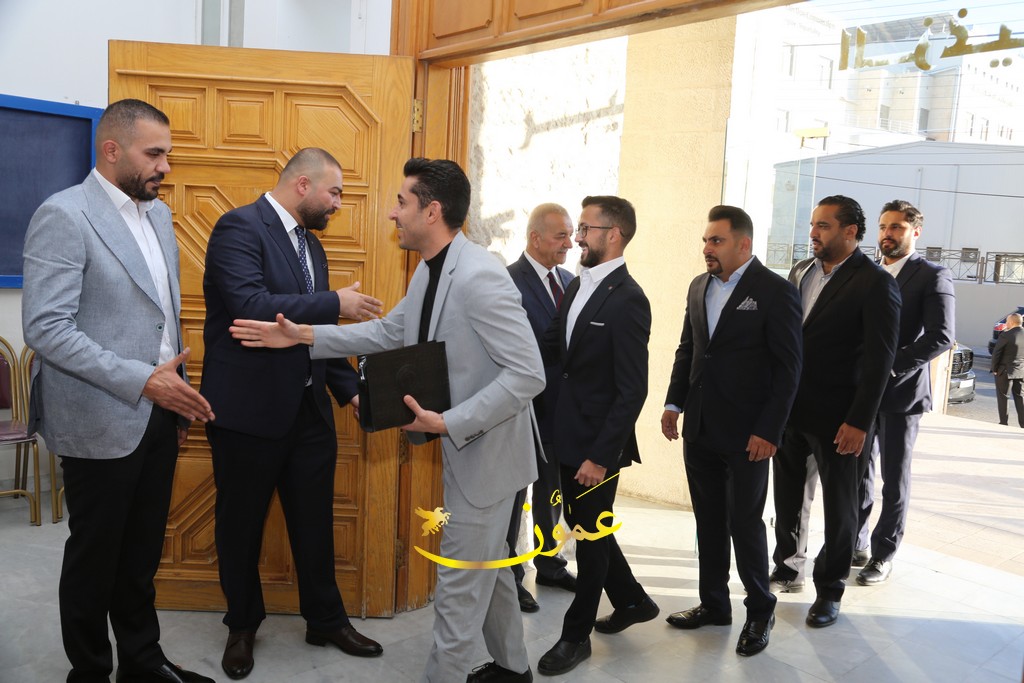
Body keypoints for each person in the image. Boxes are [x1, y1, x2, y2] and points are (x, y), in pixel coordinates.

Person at [228, 158, 545, 683]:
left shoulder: (481, 276)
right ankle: (513, 670)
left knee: (458, 589)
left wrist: (450, 421)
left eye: (402, 202)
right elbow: (389, 333)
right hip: (465, 450)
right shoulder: (430, 268)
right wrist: (304, 337)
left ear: (432, 211)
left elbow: (528, 373)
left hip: (489, 457)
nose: (392, 213)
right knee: (489, 568)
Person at [22, 99, 216, 683]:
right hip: (98, 416)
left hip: (159, 411)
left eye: (167, 155)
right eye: (154, 154)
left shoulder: (159, 215)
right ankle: (88, 672)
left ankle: (142, 662)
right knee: (95, 558)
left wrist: (174, 398)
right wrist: (143, 380)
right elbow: (47, 328)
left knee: (140, 555)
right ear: (112, 150)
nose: (165, 167)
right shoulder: (64, 214)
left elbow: (164, 319)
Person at [200, 147, 384, 679]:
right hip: (247, 414)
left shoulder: (312, 246)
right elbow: (250, 307)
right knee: (240, 527)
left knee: (314, 524)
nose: (339, 204)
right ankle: (242, 625)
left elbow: (312, 337)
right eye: (335, 192)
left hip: (309, 414)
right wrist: (335, 303)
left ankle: (325, 620)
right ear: (303, 185)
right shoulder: (238, 228)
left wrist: (351, 391)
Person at [661, 206, 802, 657]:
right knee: (708, 521)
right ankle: (714, 604)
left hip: (749, 435)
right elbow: (689, 349)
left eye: (716, 241)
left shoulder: (776, 291)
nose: (707, 248)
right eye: (706, 240)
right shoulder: (698, 286)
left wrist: (769, 430)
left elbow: (789, 369)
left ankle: (760, 610)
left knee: (745, 523)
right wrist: (674, 403)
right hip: (700, 427)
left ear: (743, 244)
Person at [535, 196, 659, 677]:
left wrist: (601, 456)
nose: (578, 238)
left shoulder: (629, 299)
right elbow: (550, 346)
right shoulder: (575, 285)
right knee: (588, 522)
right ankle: (632, 600)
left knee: (588, 535)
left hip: (597, 447)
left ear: (615, 234)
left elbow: (632, 390)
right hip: (567, 432)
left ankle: (575, 636)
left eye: (586, 229)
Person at [770, 195, 900, 629]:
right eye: (813, 225)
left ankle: (830, 589)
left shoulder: (875, 282)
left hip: (841, 419)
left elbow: (880, 360)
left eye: (823, 226)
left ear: (850, 232)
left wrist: (860, 421)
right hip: (791, 411)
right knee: (788, 496)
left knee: (841, 506)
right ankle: (788, 567)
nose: (813, 233)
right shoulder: (800, 271)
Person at [854, 200, 955, 585]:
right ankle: (856, 542)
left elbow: (941, 336)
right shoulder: (865, 273)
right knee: (858, 473)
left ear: (915, 232)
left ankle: (883, 555)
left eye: (896, 227)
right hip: (860, 392)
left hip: (902, 393)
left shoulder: (932, 275)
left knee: (894, 479)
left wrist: (890, 365)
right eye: (883, 227)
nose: (887, 234)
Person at [505, 203, 578, 613]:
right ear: (535, 238)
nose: (570, 243)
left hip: (560, 412)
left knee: (552, 492)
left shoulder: (570, 282)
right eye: (561, 235)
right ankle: (510, 579)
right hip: (521, 410)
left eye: (570, 234)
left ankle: (550, 565)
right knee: (514, 499)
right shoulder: (507, 282)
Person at [992, 312, 1024, 428]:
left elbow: (997, 353)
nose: (1006, 323)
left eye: (1007, 321)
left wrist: (995, 369)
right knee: (1020, 397)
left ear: (1011, 322)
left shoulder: (1006, 335)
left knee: (1003, 398)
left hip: (1005, 371)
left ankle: (1003, 423)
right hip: (1020, 371)